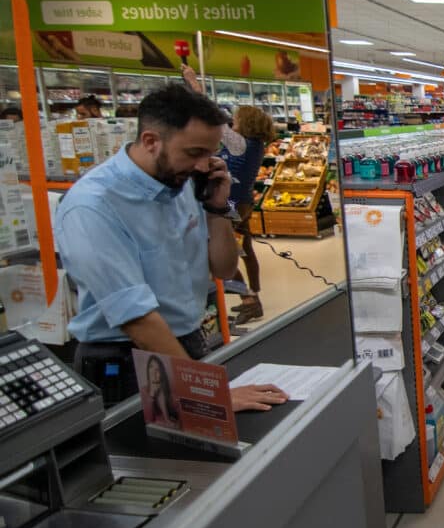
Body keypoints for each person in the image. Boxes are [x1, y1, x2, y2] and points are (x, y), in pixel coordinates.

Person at [54, 83, 287, 412]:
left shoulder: (181, 184)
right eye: (194, 153)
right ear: (151, 141)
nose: (205, 165)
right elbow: (137, 320)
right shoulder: (92, 206)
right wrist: (211, 394)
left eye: (210, 153)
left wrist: (217, 210)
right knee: (163, 462)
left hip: (188, 343)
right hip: (129, 360)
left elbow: (221, 269)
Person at [182, 66, 271, 323]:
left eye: (237, 119)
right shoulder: (254, 145)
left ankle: (249, 299)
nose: (233, 121)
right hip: (243, 202)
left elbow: (215, 119)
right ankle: (254, 295)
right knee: (245, 249)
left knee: (224, 250)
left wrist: (195, 86)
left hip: (230, 203)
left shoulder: (240, 143)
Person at [144, 355, 180, 429]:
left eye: (157, 369)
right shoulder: (144, 390)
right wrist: (152, 394)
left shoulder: (168, 392)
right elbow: (148, 420)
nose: (153, 372)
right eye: (151, 367)